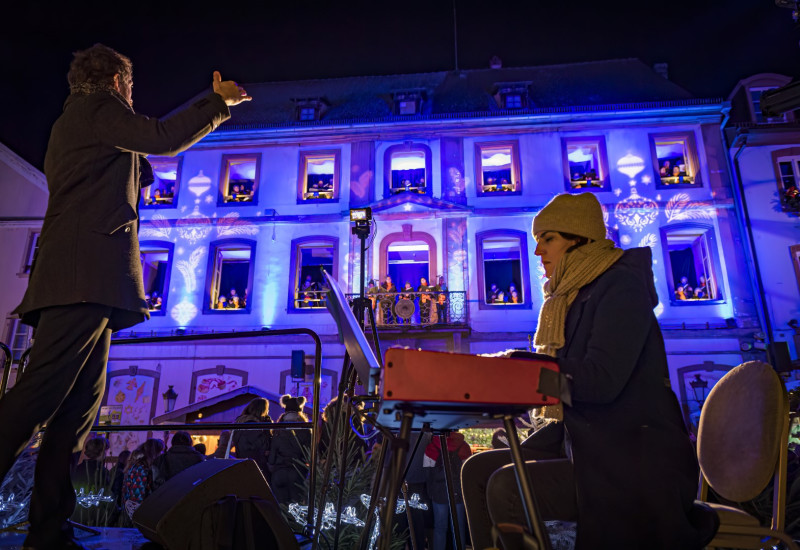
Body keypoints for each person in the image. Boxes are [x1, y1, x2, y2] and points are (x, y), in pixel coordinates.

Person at [0, 43, 250, 549]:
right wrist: (215, 101)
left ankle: (49, 531)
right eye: (131, 87)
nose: (133, 96)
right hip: (81, 278)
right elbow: (161, 139)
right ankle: (46, 529)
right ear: (117, 82)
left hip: (87, 279)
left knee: (76, 412)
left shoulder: (80, 122)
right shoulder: (97, 110)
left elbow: (134, 167)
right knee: (38, 396)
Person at [462, 193, 703, 549]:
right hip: (587, 446)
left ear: (579, 239)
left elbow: (600, 381)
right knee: (477, 470)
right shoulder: (569, 297)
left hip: (631, 460)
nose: (537, 251)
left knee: (506, 485)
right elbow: (568, 380)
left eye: (548, 239)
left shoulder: (621, 286)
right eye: (537, 241)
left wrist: (523, 366)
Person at [425, 431, 471, 550]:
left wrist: (430, 492)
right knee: (458, 527)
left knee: (440, 528)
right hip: (458, 492)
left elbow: (427, 472)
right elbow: (467, 472)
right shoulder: (464, 446)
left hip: (438, 492)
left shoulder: (432, 447)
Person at [268, 395, 311, 504]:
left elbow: (272, 453)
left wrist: (271, 465)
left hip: (279, 472)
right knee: (296, 508)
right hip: (297, 472)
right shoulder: (305, 430)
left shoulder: (278, 429)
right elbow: (308, 453)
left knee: (280, 506)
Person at [70, 436, 112, 527]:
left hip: (76, 516)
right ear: (100, 452)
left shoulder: (76, 469)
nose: (106, 454)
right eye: (105, 451)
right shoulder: (102, 472)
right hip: (94, 518)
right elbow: (107, 497)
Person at [121, 438, 165, 524]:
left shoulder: (136, 466)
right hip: (136, 517)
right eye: (160, 451)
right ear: (154, 453)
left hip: (130, 514)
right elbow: (137, 496)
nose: (162, 454)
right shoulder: (141, 469)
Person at [231, 398, 273, 475]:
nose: (267, 412)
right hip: (254, 465)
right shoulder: (252, 426)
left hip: (244, 463)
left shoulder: (241, 422)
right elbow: (265, 445)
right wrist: (267, 427)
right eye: (267, 409)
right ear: (262, 410)